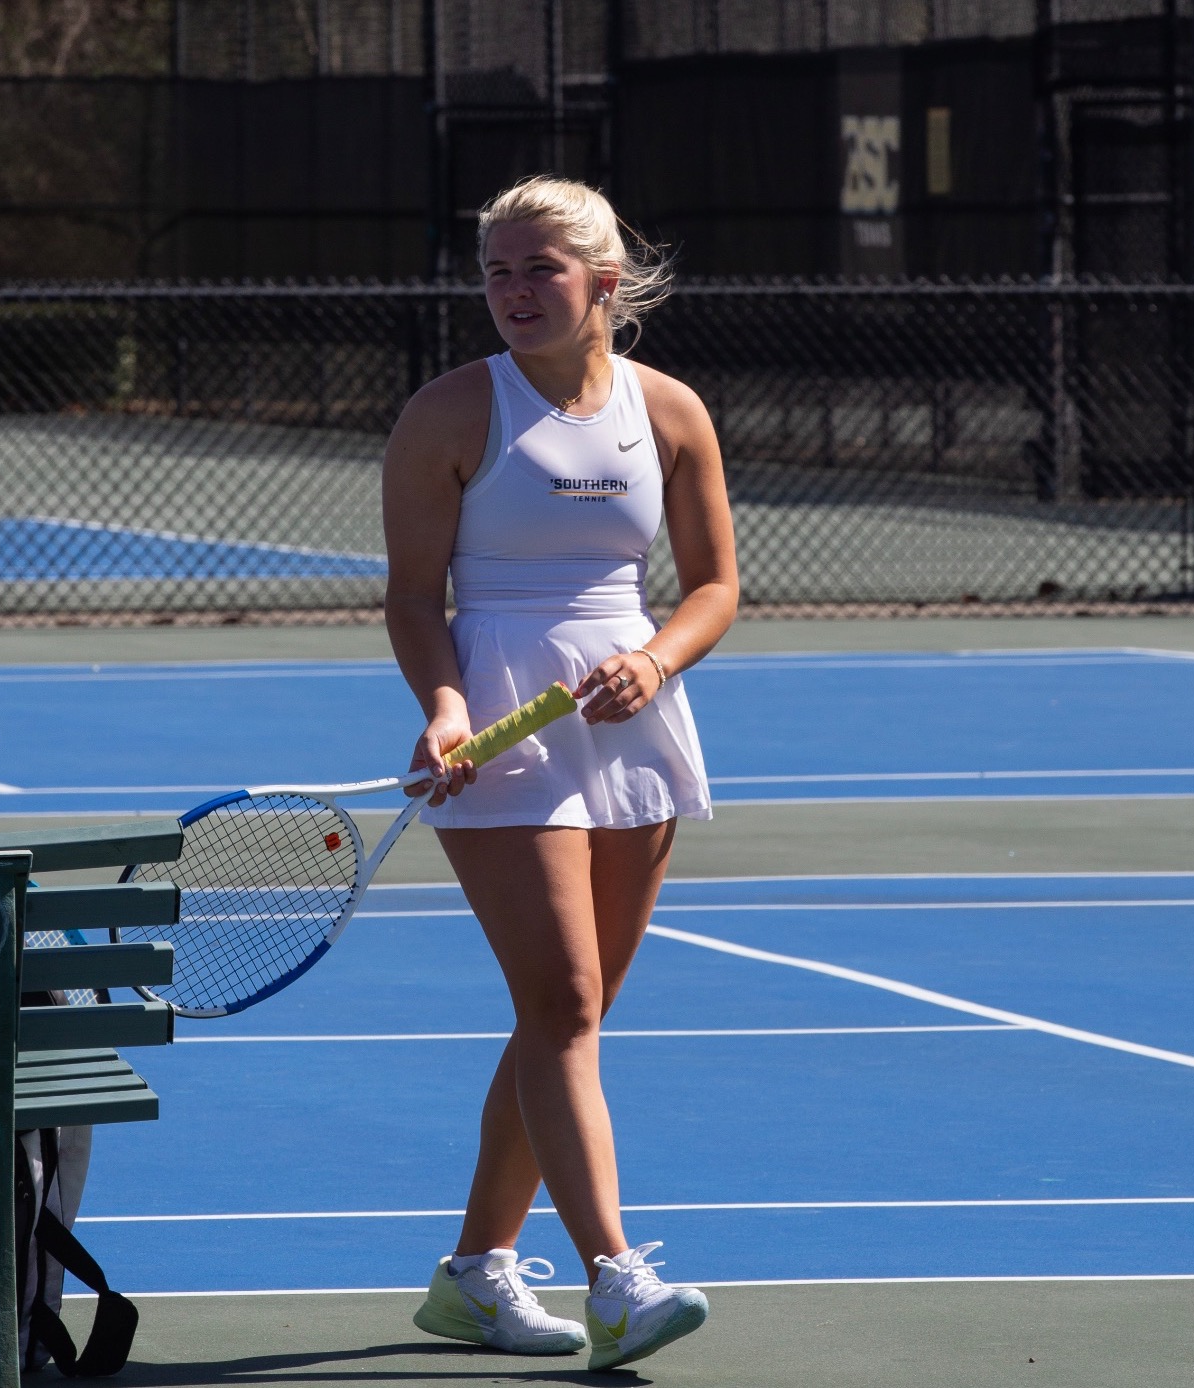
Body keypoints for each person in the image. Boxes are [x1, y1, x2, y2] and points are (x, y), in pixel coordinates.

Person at [383, 175, 737, 1372]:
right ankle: (617, 1277)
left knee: (563, 1015)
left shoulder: (671, 411)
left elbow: (713, 587)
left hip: (633, 727)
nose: (513, 291)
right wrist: (442, 705)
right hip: (499, 731)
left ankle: (478, 1270)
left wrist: (654, 657)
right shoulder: (446, 412)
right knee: (567, 1006)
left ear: (604, 282)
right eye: (495, 270)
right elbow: (412, 599)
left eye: (537, 268)